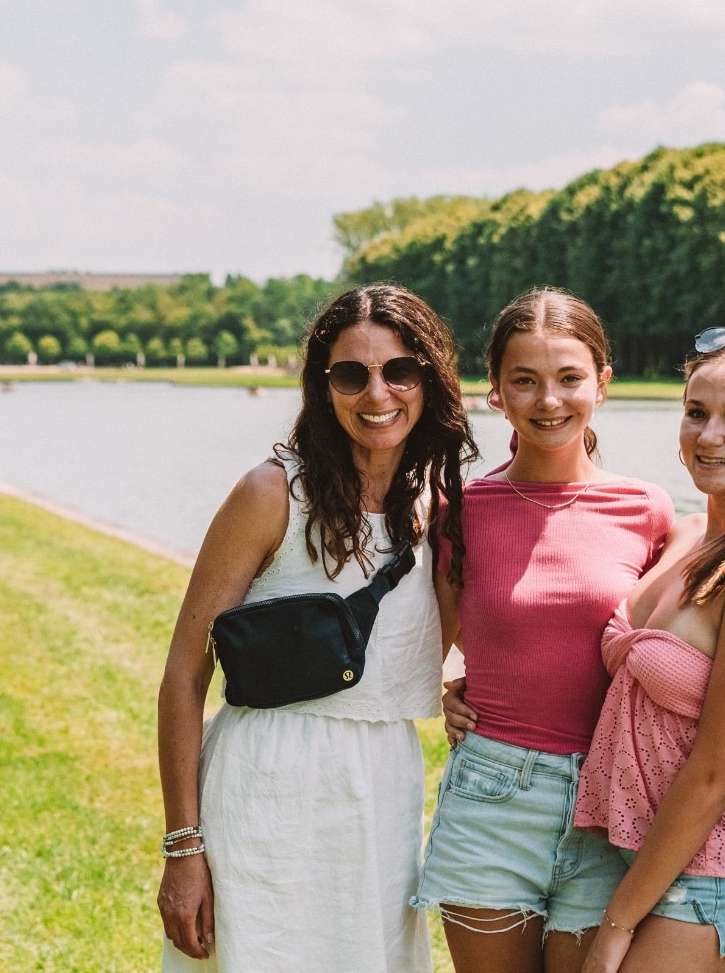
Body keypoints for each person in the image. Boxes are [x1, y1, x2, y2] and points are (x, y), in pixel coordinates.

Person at [154, 283, 476, 973]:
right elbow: (184, 675)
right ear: (323, 386)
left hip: (382, 794)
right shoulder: (272, 494)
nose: (376, 392)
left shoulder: (440, 510)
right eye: (351, 374)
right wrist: (184, 849)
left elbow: (426, 653)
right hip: (266, 788)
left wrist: (462, 693)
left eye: (398, 370)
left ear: (429, 379)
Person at [414, 288, 675, 973]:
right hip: (492, 798)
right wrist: (448, 687)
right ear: (495, 391)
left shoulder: (648, 510)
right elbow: (425, 646)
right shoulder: (459, 510)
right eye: (523, 380)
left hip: (612, 801)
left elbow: (689, 655)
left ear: (603, 383)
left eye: (568, 378)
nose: (548, 400)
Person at [570, 327, 725, 973]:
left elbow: (714, 768)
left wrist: (615, 929)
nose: (709, 436)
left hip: (722, 870)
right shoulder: (687, 535)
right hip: (661, 851)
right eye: (696, 412)